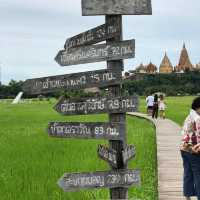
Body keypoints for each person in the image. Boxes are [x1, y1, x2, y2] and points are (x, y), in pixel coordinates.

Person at [180, 97, 200, 200]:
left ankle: (187, 196)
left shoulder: (189, 116)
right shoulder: (197, 118)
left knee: (188, 173)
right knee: (198, 175)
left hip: (184, 148)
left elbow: (183, 131)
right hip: (193, 149)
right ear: (198, 108)